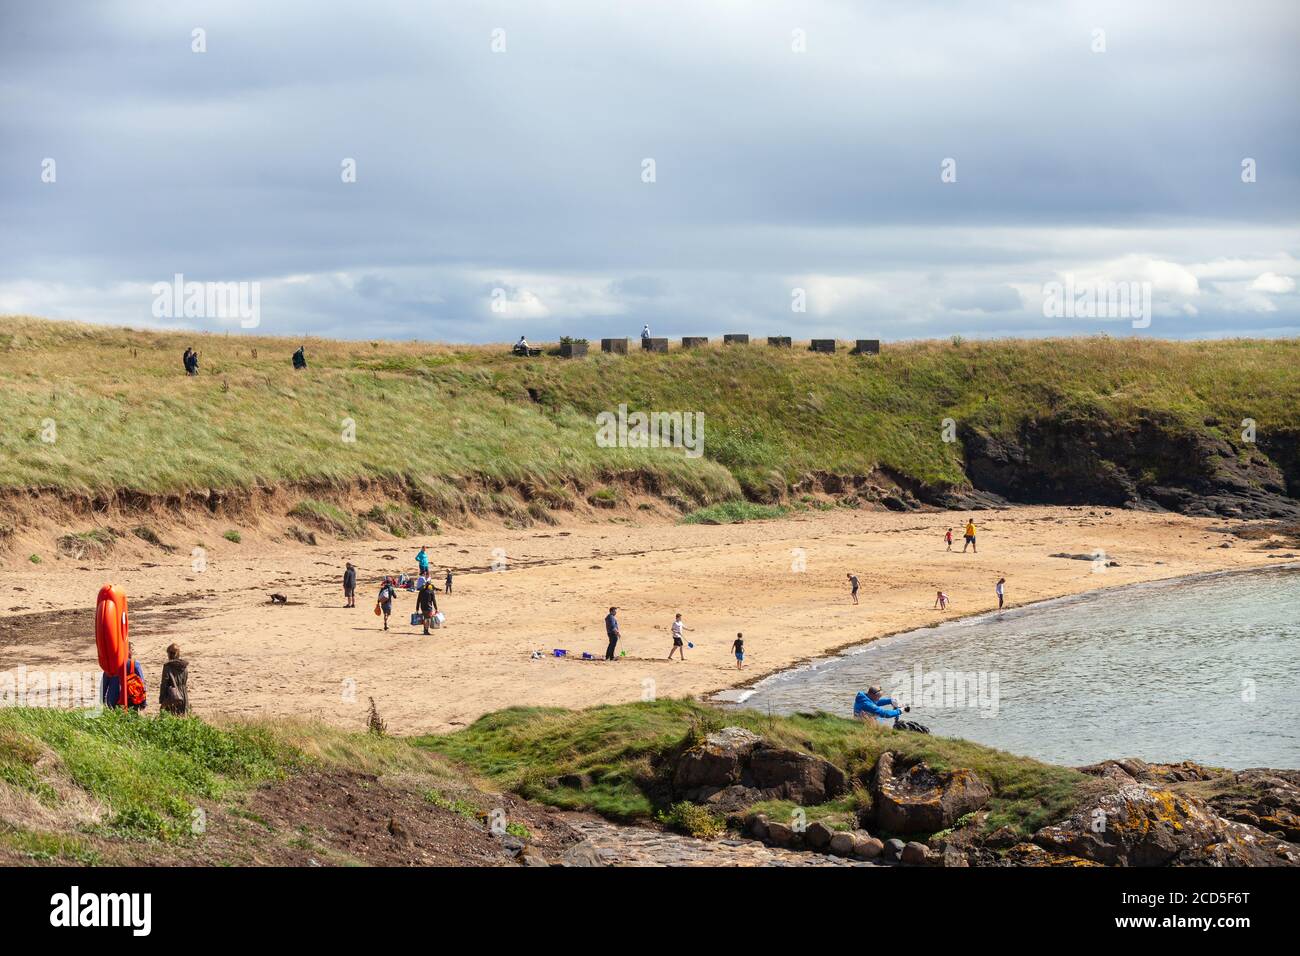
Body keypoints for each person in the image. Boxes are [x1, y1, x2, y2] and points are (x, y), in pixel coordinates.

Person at [102, 643, 147, 712]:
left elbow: (104, 684)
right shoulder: (134, 664)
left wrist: (102, 700)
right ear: (127, 651)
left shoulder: (110, 665)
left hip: (113, 700)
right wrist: (143, 701)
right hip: (131, 699)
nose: (133, 652)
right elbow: (141, 684)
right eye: (132, 649)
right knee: (131, 720)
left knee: (115, 721)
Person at [160, 643, 189, 716]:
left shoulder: (168, 666)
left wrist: (162, 700)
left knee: (169, 719)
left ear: (169, 654)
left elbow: (164, 683)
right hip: (184, 695)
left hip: (172, 696)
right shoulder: (184, 666)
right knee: (182, 718)